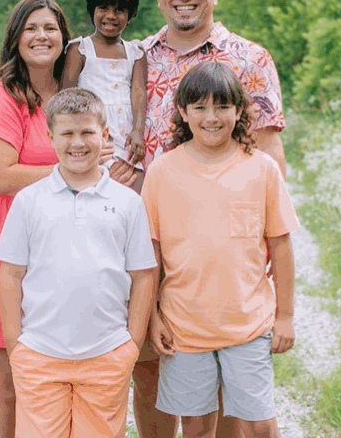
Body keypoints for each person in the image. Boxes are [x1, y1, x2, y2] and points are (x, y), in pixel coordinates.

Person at [128, 0, 291, 438]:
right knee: (149, 365)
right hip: (151, 236)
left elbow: (270, 157)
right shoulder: (139, 58)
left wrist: (263, 243)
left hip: (227, 248)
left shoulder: (250, 58)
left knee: (230, 384)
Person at [141, 62, 298, 438]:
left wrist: (285, 316)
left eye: (222, 107)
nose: (211, 118)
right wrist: (153, 317)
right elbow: (150, 257)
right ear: (183, 112)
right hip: (183, 328)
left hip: (248, 325)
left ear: (239, 110)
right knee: (196, 428)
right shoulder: (162, 172)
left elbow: (281, 246)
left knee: (259, 425)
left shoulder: (261, 169)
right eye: (199, 107)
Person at [0, 88, 158, 438]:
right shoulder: (28, 201)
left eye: (87, 132)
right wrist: (15, 345)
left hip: (107, 353)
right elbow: (10, 274)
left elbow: (144, 275)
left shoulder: (128, 203)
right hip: (39, 353)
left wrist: (131, 344)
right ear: (50, 137)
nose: (78, 143)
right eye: (67, 133)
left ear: (105, 134)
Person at [0, 0, 71, 438]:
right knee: (9, 380)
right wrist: (73, 168)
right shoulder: (1, 98)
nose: (41, 36)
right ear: (16, 38)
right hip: (6, 245)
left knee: (55, 380)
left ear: (64, 37)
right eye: (31, 28)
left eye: (50, 28)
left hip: (60, 247)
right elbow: (0, 176)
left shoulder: (71, 95)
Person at [63, 0, 150, 191]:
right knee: (96, 190)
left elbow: (139, 94)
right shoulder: (80, 50)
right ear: (92, 10)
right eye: (103, 8)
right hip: (93, 136)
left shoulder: (136, 52)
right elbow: (66, 97)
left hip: (127, 139)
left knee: (134, 186)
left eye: (119, 10)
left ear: (131, 14)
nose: (111, 15)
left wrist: (138, 132)